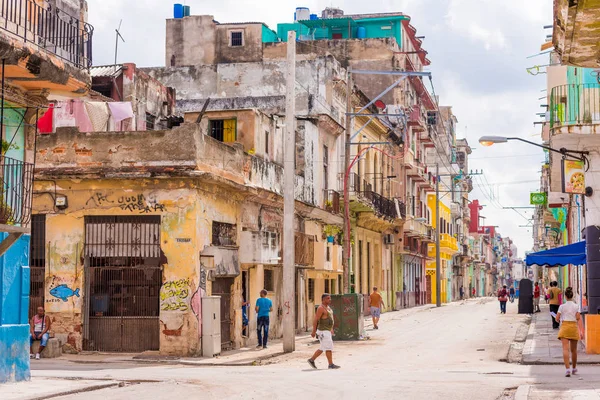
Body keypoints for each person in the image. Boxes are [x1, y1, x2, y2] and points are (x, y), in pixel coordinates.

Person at [556, 287, 584, 377]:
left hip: (565, 327)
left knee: (565, 349)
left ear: (565, 296)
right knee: (574, 350)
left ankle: (567, 369)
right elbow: (578, 318)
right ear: (572, 296)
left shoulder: (562, 306)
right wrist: (581, 331)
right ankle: (574, 368)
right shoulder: (576, 306)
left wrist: (559, 320)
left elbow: (557, 318)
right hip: (573, 327)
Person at [307, 293, 340, 370]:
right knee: (328, 347)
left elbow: (330, 319)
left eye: (330, 298)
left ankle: (311, 360)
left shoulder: (328, 308)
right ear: (323, 299)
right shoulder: (321, 308)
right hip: (323, 331)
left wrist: (331, 329)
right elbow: (316, 320)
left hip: (327, 331)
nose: (330, 300)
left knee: (323, 347)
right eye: (328, 298)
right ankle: (330, 364)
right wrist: (313, 331)